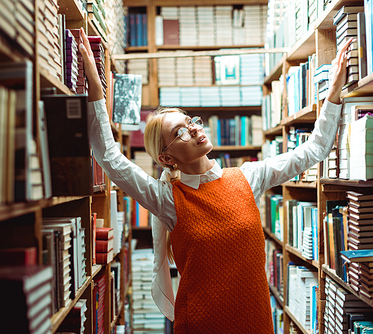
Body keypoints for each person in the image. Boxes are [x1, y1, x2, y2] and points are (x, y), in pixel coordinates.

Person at [79, 27, 354, 333]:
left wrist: (333, 92)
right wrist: (94, 82)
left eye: (191, 122)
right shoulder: (168, 199)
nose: (195, 129)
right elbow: (110, 158)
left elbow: (314, 149)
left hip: (255, 322)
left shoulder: (249, 177)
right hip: (199, 325)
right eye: (179, 132)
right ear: (167, 158)